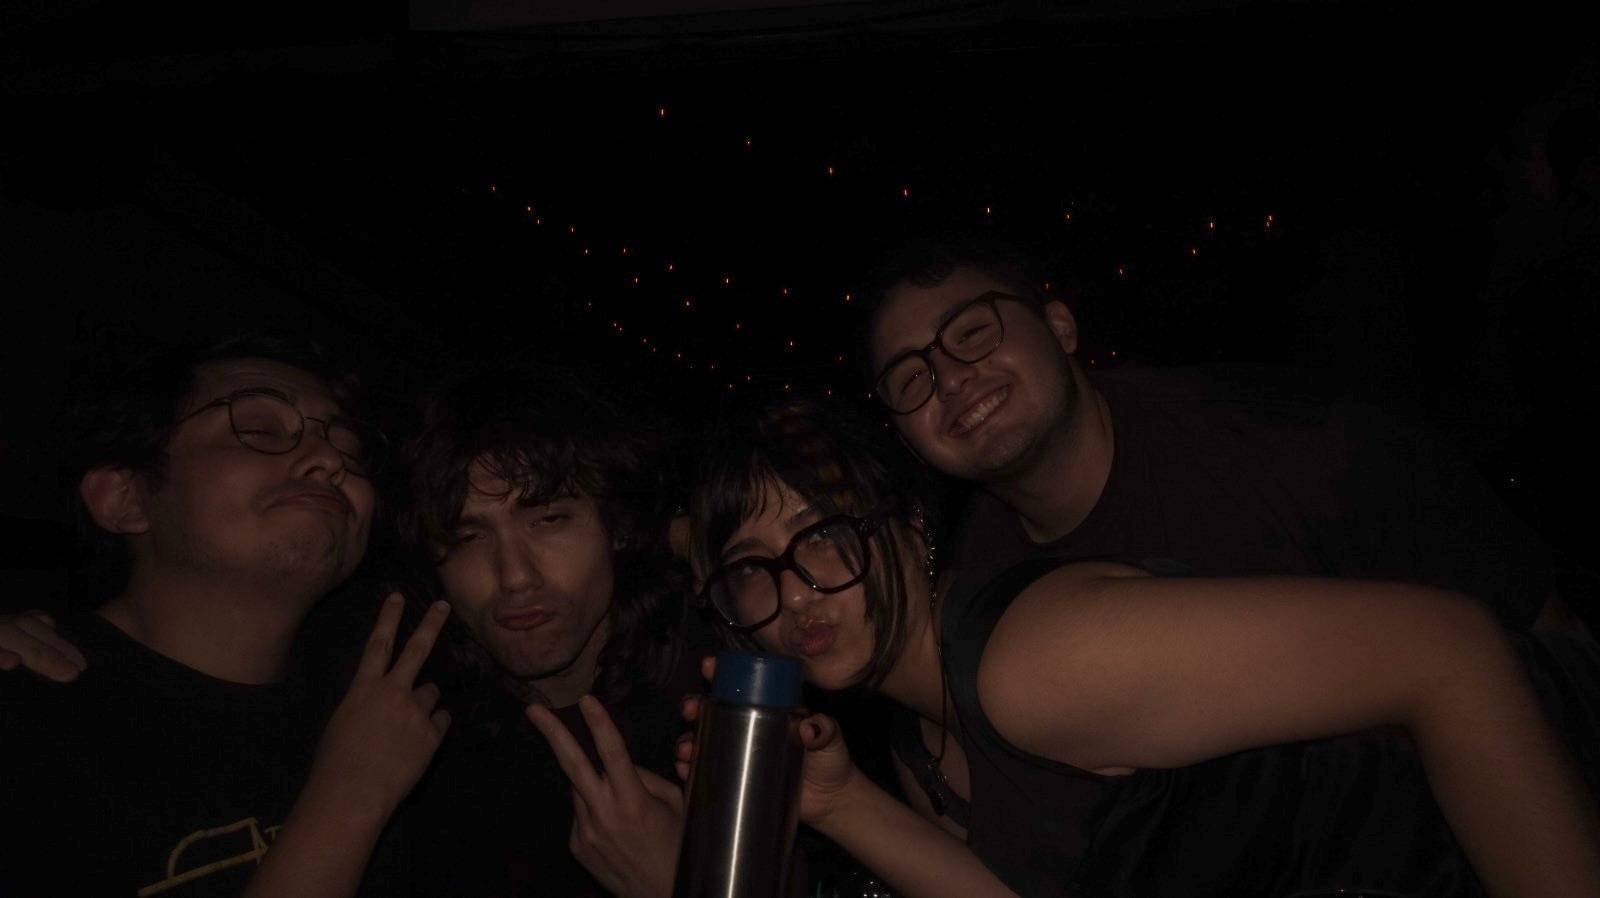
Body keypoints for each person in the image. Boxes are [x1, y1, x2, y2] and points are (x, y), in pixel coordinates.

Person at [672, 398, 1600, 898]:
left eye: (825, 533)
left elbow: (1450, 651)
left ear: (909, 525)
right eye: (750, 569)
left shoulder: (1034, 660)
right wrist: (838, 803)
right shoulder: (921, 740)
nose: (796, 588)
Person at [859, 235, 1593, 638]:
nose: (949, 378)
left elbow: (1543, 635)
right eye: (911, 378)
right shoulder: (982, 589)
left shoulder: (1297, 442)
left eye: (973, 333)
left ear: (1060, 327)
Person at [0, 336, 450, 897]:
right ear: (125, 499)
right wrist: (351, 796)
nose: (332, 460)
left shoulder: (406, 699)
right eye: (260, 430)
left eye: (349, 447)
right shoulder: (25, 720)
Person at [390, 360, 707, 898]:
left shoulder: (722, 691)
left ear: (617, 526)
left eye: (549, 520)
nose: (515, 577)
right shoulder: (421, 743)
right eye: (467, 537)